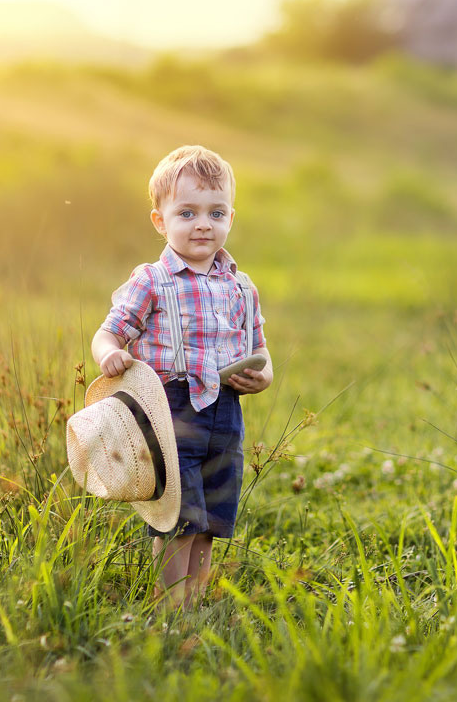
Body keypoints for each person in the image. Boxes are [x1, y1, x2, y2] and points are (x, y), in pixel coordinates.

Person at [90, 145, 272, 607]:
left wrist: (262, 376)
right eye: (187, 213)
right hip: (169, 412)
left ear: (232, 216)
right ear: (160, 220)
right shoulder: (151, 280)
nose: (203, 224)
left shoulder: (240, 285)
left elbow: (260, 351)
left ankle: (193, 603)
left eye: (216, 212)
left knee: (210, 518)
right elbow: (109, 332)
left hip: (225, 416)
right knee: (178, 516)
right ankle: (168, 605)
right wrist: (109, 353)